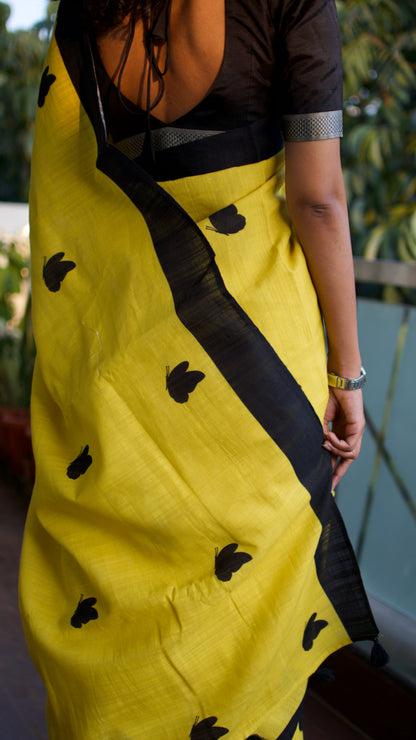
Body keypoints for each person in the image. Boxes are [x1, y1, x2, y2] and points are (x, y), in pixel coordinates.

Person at [19, 1, 384, 738]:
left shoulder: (87, 10)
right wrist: (348, 378)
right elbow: (318, 201)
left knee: (127, 633)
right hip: (260, 381)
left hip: (119, 390)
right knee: (243, 646)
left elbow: (73, 196)